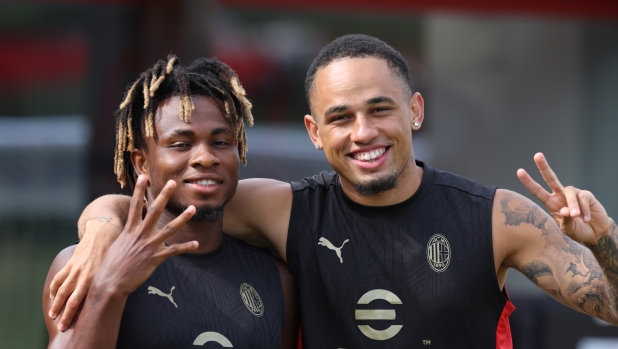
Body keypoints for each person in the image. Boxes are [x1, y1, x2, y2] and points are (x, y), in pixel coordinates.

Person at [48, 35, 618, 347]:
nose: (363, 133)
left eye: (380, 110)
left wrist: (605, 244)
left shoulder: (499, 217)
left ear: (415, 112)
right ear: (315, 132)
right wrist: (99, 229)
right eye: (341, 117)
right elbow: (174, 201)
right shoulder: (283, 208)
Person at [42, 55, 298, 349]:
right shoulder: (88, 263)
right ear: (141, 163)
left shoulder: (277, 279)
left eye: (220, 142)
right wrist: (110, 286)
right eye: (181, 145)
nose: (205, 157)